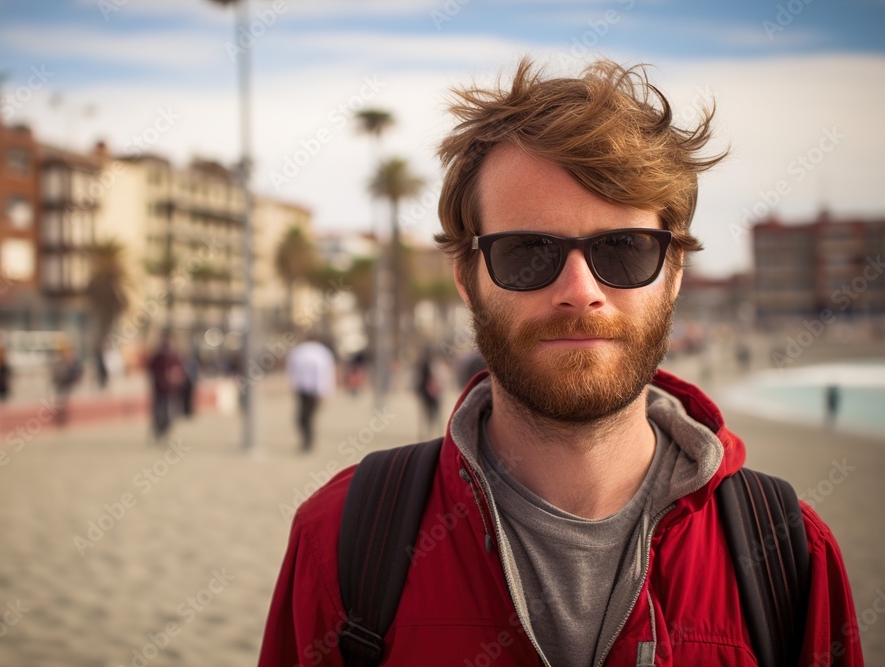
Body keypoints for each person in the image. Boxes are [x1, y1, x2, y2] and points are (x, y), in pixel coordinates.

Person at [259, 58, 863, 665]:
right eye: (527, 252)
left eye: (624, 250)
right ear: (467, 280)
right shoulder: (342, 541)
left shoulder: (788, 557)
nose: (580, 289)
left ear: (674, 273)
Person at [285, 335, 335, 452]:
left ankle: (307, 441)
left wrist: (293, 385)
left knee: (303, 416)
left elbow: (291, 370)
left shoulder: (298, 351)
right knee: (309, 416)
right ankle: (308, 441)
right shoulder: (322, 352)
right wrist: (325, 392)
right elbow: (325, 373)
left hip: (301, 388)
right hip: (314, 390)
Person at [147, 333, 182, 442]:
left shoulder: (174, 356)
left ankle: (165, 431)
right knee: (159, 412)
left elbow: (179, 370)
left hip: (171, 390)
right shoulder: (158, 357)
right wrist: (161, 377)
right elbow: (152, 369)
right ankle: (159, 430)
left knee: (170, 412)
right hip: (160, 389)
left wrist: (175, 377)